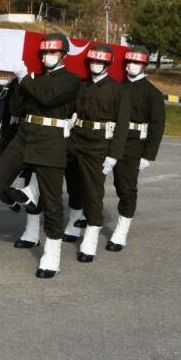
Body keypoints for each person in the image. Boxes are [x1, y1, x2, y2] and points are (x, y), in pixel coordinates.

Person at [0, 32, 81, 279]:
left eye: (52, 52)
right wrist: (17, 83)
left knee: (51, 201)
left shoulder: (72, 80)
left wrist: (23, 78)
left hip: (51, 140)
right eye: (44, 53)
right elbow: (18, 108)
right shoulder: (34, 78)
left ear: (63, 54)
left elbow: (47, 97)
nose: (47, 57)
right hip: (26, 133)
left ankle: (52, 253)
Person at [59, 44, 130, 262]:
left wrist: (114, 155)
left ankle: (91, 232)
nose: (95, 65)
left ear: (107, 64)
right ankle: (74, 220)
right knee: (71, 182)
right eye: (92, 61)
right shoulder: (82, 85)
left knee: (93, 191)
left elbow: (122, 125)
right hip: (76, 137)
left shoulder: (118, 90)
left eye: (99, 62)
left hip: (98, 145)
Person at [107, 46, 166, 252]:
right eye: (129, 62)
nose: (132, 66)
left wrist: (148, 155)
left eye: (137, 63)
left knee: (125, 187)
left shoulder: (153, 93)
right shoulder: (116, 87)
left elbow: (157, 126)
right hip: (109, 138)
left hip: (133, 144)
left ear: (144, 65)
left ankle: (121, 231)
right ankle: (80, 218)